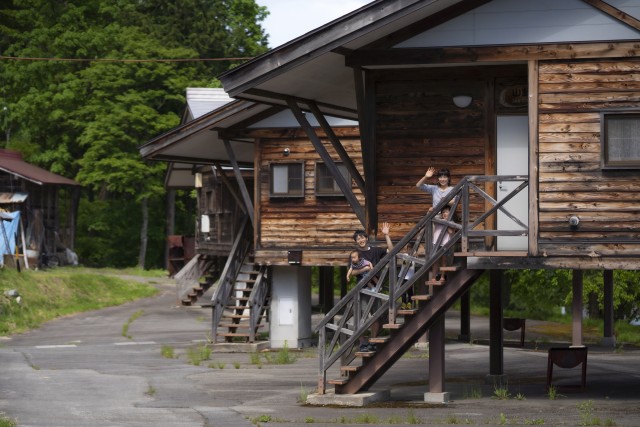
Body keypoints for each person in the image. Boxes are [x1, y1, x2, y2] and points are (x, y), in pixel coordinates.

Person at [350, 222, 394, 352]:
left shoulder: (375, 250)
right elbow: (352, 272)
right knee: (361, 317)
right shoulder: (354, 254)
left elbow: (392, 251)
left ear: (366, 238)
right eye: (358, 239)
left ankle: (373, 340)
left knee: (376, 315)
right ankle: (362, 341)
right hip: (362, 290)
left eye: (362, 237)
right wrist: (365, 268)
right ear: (356, 242)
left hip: (376, 287)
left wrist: (386, 235)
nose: (360, 240)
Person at [432, 204, 455, 283]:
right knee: (435, 261)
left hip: (445, 244)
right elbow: (432, 219)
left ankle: (442, 276)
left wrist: (447, 224)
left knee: (444, 260)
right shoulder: (438, 220)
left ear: (450, 213)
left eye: (447, 212)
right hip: (436, 243)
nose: (445, 213)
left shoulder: (451, 222)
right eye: (444, 212)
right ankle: (433, 277)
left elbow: (451, 232)